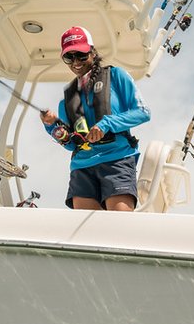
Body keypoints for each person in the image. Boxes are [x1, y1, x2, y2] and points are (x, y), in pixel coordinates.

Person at [41, 26, 150, 211]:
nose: (76, 62)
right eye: (69, 57)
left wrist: (107, 124)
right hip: (81, 166)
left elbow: (143, 112)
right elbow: (70, 144)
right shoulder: (65, 101)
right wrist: (51, 126)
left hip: (117, 160)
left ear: (92, 52)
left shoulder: (116, 76)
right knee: (87, 234)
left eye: (81, 55)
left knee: (120, 226)